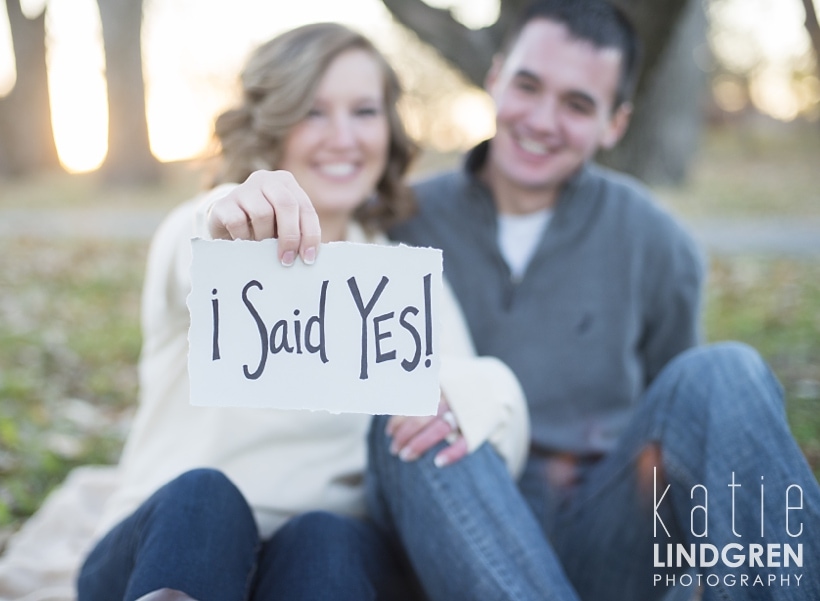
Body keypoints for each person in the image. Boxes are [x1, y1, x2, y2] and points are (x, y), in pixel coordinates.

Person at [206, 1, 820, 600]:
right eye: (528, 86)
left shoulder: (658, 243)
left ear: (615, 123)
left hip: (608, 536)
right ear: (495, 79)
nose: (543, 120)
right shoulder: (399, 223)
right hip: (450, 522)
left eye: (578, 104)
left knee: (725, 371)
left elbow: (684, 437)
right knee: (416, 420)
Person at [71, 22, 531, 601]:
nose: (343, 137)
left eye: (364, 111)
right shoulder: (209, 229)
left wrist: (479, 393)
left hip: (316, 567)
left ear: (387, 129)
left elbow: (482, 403)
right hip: (167, 550)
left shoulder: (399, 278)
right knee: (206, 497)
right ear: (273, 122)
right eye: (313, 112)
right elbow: (198, 248)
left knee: (328, 536)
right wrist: (230, 216)